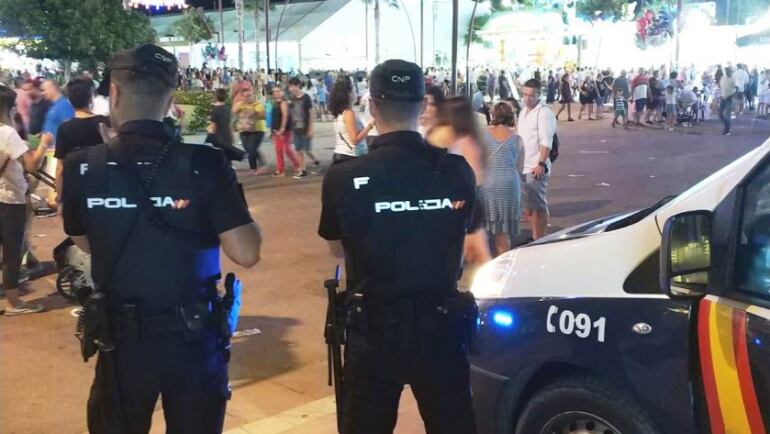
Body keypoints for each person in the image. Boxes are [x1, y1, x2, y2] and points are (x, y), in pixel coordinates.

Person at [61, 44, 262, 433]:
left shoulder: (81, 166)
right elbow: (247, 252)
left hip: (119, 345)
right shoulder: (204, 163)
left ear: (114, 94)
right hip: (194, 342)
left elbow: (84, 242)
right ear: (171, 100)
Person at [318, 59, 479, 434]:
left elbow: (337, 250)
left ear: (372, 106)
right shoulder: (456, 170)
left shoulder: (344, 177)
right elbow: (461, 230)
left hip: (373, 333)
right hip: (440, 329)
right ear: (423, 106)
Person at [1, 85, 50, 315]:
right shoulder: (7, 133)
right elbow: (31, 164)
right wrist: (43, 145)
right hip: (10, 201)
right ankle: (14, 303)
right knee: (12, 252)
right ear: (9, 109)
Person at [54, 77, 110, 199]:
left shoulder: (64, 129)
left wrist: (59, 199)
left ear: (69, 101)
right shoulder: (104, 122)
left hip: (74, 190)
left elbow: (60, 169)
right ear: (91, 98)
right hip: (101, 187)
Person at [481, 102, 523, 256]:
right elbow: (519, 167)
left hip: (488, 184)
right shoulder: (517, 139)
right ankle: (502, 267)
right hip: (509, 185)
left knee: (482, 230)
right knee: (503, 233)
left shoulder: (483, 134)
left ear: (493, 115)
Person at [518, 79, 556, 240]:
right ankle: (535, 236)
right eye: (524, 95)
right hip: (523, 167)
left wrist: (540, 164)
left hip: (535, 167)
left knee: (539, 206)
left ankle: (539, 238)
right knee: (529, 207)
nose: (527, 99)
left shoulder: (544, 113)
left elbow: (546, 141)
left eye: (531, 96)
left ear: (538, 95)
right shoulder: (523, 111)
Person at [329, 79, 375, 163]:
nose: (355, 93)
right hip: (350, 156)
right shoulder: (348, 113)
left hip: (341, 153)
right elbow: (354, 140)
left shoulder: (339, 112)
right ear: (348, 94)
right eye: (353, 90)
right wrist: (370, 125)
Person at [232, 87, 269, 175]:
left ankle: (253, 168)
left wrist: (252, 110)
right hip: (243, 130)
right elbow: (234, 111)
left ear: (253, 96)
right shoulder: (240, 104)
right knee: (248, 149)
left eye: (249, 96)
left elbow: (262, 116)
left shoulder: (257, 105)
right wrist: (241, 106)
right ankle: (262, 164)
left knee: (252, 149)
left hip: (257, 130)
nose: (247, 98)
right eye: (245, 96)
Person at [287, 76, 318, 178]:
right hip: (296, 128)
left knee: (307, 150)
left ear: (297, 86)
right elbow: (290, 114)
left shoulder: (306, 97)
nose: (291, 89)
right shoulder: (291, 99)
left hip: (305, 127)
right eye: (290, 87)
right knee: (299, 150)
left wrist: (311, 128)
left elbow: (311, 112)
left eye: (292, 86)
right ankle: (302, 170)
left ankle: (315, 160)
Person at [270, 86, 302, 176]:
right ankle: (281, 169)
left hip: (284, 130)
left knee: (286, 149)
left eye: (278, 91)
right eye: (274, 92)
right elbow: (274, 118)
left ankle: (296, 165)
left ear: (282, 92)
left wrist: (282, 129)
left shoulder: (283, 103)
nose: (276, 93)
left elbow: (285, 116)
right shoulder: (274, 103)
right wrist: (273, 131)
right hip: (276, 130)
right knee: (279, 150)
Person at [719, 67, 737, 135]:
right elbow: (721, 86)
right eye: (725, 71)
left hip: (729, 98)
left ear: (731, 72)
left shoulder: (734, 79)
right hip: (723, 98)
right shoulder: (723, 77)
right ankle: (726, 125)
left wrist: (733, 95)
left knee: (727, 115)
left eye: (728, 71)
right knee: (720, 114)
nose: (726, 73)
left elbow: (736, 88)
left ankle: (727, 130)